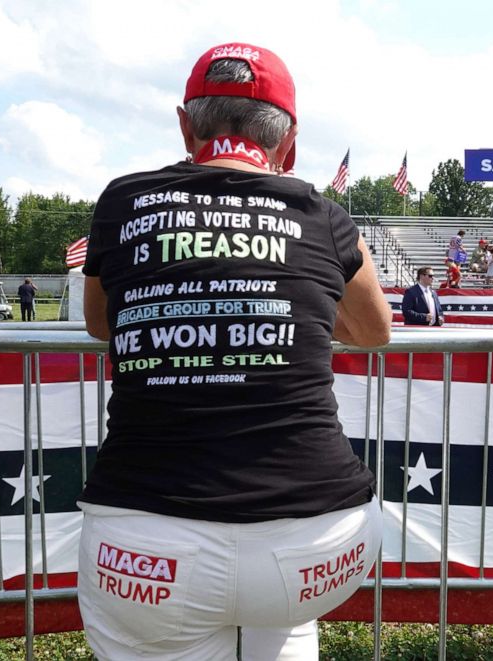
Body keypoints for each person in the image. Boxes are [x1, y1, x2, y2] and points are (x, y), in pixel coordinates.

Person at [78, 42, 392, 659]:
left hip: (148, 547)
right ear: (290, 142)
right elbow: (375, 329)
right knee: (285, 620)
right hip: (318, 543)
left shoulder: (123, 200)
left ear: (185, 125)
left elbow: (100, 323)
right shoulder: (321, 214)